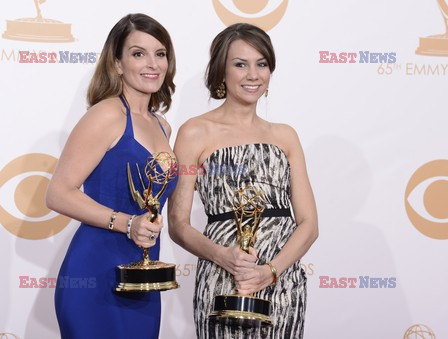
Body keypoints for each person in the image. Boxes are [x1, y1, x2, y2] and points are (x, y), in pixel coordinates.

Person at [168, 23, 318, 338]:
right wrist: (223, 256)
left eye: (261, 64)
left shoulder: (285, 136)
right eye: (241, 64)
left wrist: (270, 272)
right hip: (224, 278)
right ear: (221, 71)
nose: (253, 74)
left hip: (282, 280)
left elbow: (309, 224)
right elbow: (178, 224)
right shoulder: (194, 133)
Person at [46, 13, 177, 338]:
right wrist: (126, 223)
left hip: (144, 278)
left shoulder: (162, 125)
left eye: (160, 54)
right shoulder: (106, 115)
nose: (152, 64)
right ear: (117, 63)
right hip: (96, 274)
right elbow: (58, 193)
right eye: (138, 53)